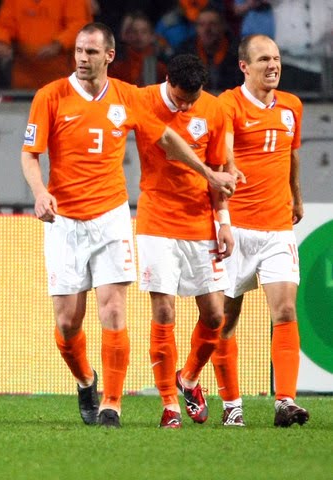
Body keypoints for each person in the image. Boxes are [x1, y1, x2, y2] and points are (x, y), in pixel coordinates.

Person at [21, 22, 236, 428]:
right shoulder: (50, 96)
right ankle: (86, 380)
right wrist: (39, 192)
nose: (82, 58)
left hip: (111, 216)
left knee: (115, 310)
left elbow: (168, 139)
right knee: (67, 324)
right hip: (64, 220)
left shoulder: (125, 96)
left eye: (90, 52)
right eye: (79, 51)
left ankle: (112, 404)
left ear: (109, 56)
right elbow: (30, 155)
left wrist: (209, 172)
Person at [214, 34, 309, 427]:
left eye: (277, 58)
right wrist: (231, 169)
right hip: (235, 228)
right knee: (224, 319)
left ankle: (285, 401)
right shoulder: (227, 104)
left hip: (276, 227)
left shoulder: (291, 106)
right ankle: (231, 403)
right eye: (264, 59)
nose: (273, 65)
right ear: (244, 66)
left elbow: (292, 155)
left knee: (285, 310)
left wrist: (297, 198)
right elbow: (225, 151)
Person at [134, 54, 233, 429]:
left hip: (200, 223)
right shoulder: (145, 101)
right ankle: (169, 406)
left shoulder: (214, 109)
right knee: (164, 312)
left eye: (194, 98)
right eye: (181, 98)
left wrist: (223, 221)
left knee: (214, 315)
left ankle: (188, 378)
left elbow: (220, 173)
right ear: (167, 80)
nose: (188, 106)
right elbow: (172, 146)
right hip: (157, 219)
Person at [0, 0, 93, 89]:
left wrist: (58, 45)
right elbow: (3, 24)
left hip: (64, 77)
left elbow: (79, 25)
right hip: (24, 78)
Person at [175, 8, 242, 91]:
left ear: (223, 26)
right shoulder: (185, 52)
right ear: (196, 28)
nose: (207, 29)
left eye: (213, 24)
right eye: (201, 25)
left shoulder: (239, 52)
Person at [109, 11, 168, 86]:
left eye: (144, 32)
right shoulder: (117, 63)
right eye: (134, 32)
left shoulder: (162, 63)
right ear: (126, 35)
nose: (139, 36)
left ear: (151, 35)